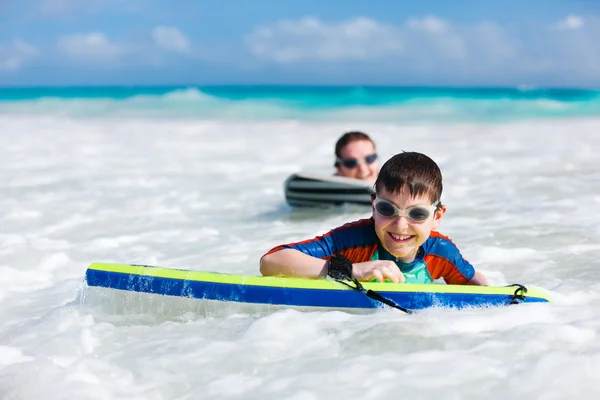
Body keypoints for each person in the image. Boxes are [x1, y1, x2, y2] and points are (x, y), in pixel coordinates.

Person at [260, 151, 489, 286]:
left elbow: (473, 284)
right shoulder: (354, 240)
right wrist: (351, 270)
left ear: (437, 216)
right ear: (373, 206)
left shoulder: (440, 252)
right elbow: (272, 261)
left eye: (417, 214)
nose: (400, 225)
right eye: (387, 209)